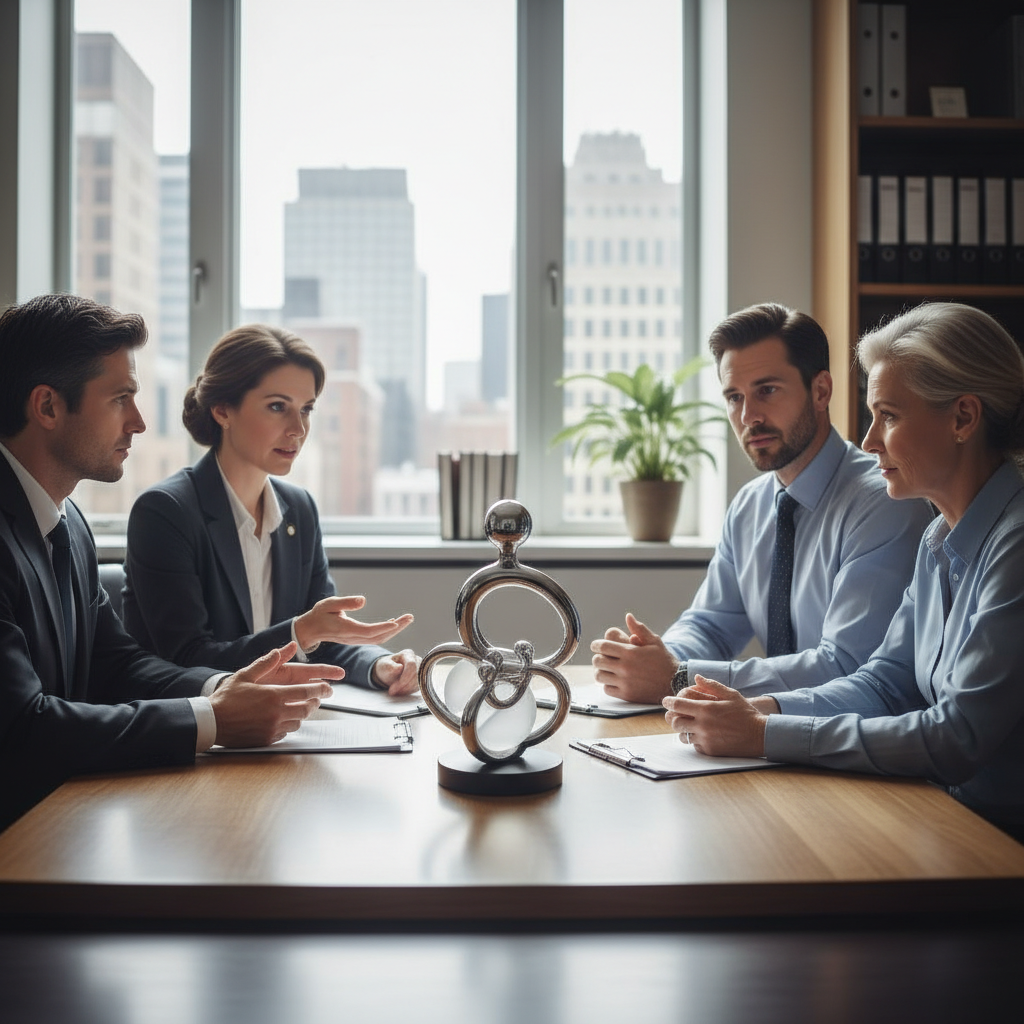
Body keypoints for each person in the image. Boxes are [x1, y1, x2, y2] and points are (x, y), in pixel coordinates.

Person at [665, 303, 1024, 836]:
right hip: (942, 817)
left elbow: (956, 739)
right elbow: (883, 683)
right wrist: (756, 711)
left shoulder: (1014, 545)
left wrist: (763, 733)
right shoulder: (938, 537)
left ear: (963, 418)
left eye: (890, 416)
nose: (871, 439)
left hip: (998, 842)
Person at [0, 295, 342, 830]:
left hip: (62, 812)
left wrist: (218, 690)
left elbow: (117, 664)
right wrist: (210, 719)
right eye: (120, 399)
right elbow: (22, 726)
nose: (139, 422)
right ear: (47, 407)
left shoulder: (69, 524)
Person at [591, 303, 933, 703]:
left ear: (821, 390)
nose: (748, 416)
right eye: (734, 397)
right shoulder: (750, 506)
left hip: (853, 742)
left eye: (766, 391)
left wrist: (679, 676)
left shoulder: (884, 504)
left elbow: (845, 666)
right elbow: (712, 626)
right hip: (774, 738)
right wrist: (654, 658)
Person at [123, 324, 419, 693]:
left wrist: (379, 664)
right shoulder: (166, 513)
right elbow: (188, 658)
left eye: (306, 409)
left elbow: (323, 641)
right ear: (222, 410)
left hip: (281, 724)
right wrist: (300, 631)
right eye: (277, 407)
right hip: (194, 732)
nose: (298, 429)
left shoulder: (299, 508)